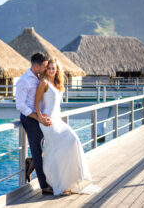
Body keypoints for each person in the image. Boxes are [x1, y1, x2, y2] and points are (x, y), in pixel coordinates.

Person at [34, 57, 92, 196]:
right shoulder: (44, 82)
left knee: (73, 140)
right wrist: (41, 118)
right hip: (47, 121)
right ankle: (58, 184)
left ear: (57, 69)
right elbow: (36, 103)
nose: (51, 70)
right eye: (49, 68)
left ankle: (69, 182)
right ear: (46, 69)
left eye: (53, 68)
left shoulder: (58, 83)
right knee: (55, 150)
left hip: (58, 120)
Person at [16, 53, 53, 195]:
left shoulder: (39, 77)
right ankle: (44, 186)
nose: (46, 68)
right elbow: (20, 105)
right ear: (36, 66)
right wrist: (37, 117)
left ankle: (31, 162)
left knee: (45, 149)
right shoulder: (24, 81)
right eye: (44, 66)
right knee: (37, 150)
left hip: (40, 117)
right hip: (30, 119)